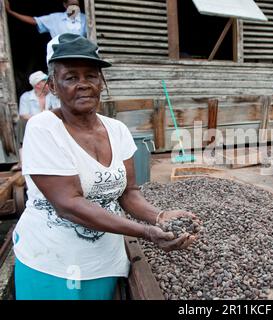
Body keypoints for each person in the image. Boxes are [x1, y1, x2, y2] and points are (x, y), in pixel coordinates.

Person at [13, 33, 199, 300]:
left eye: (91, 76)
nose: (83, 84)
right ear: (53, 86)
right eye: (71, 77)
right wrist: (146, 232)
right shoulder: (43, 128)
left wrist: (159, 217)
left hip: (104, 261)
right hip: (51, 262)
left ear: (102, 82)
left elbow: (129, 192)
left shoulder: (118, 130)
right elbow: (68, 204)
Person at [5, 0, 87, 38]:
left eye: (77, 5)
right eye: (72, 4)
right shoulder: (55, 19)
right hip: (60, 57)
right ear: (65, 5)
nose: (74, 8)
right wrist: (11, 12)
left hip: (81, 57)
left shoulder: (85, 19)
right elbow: (34, 21)